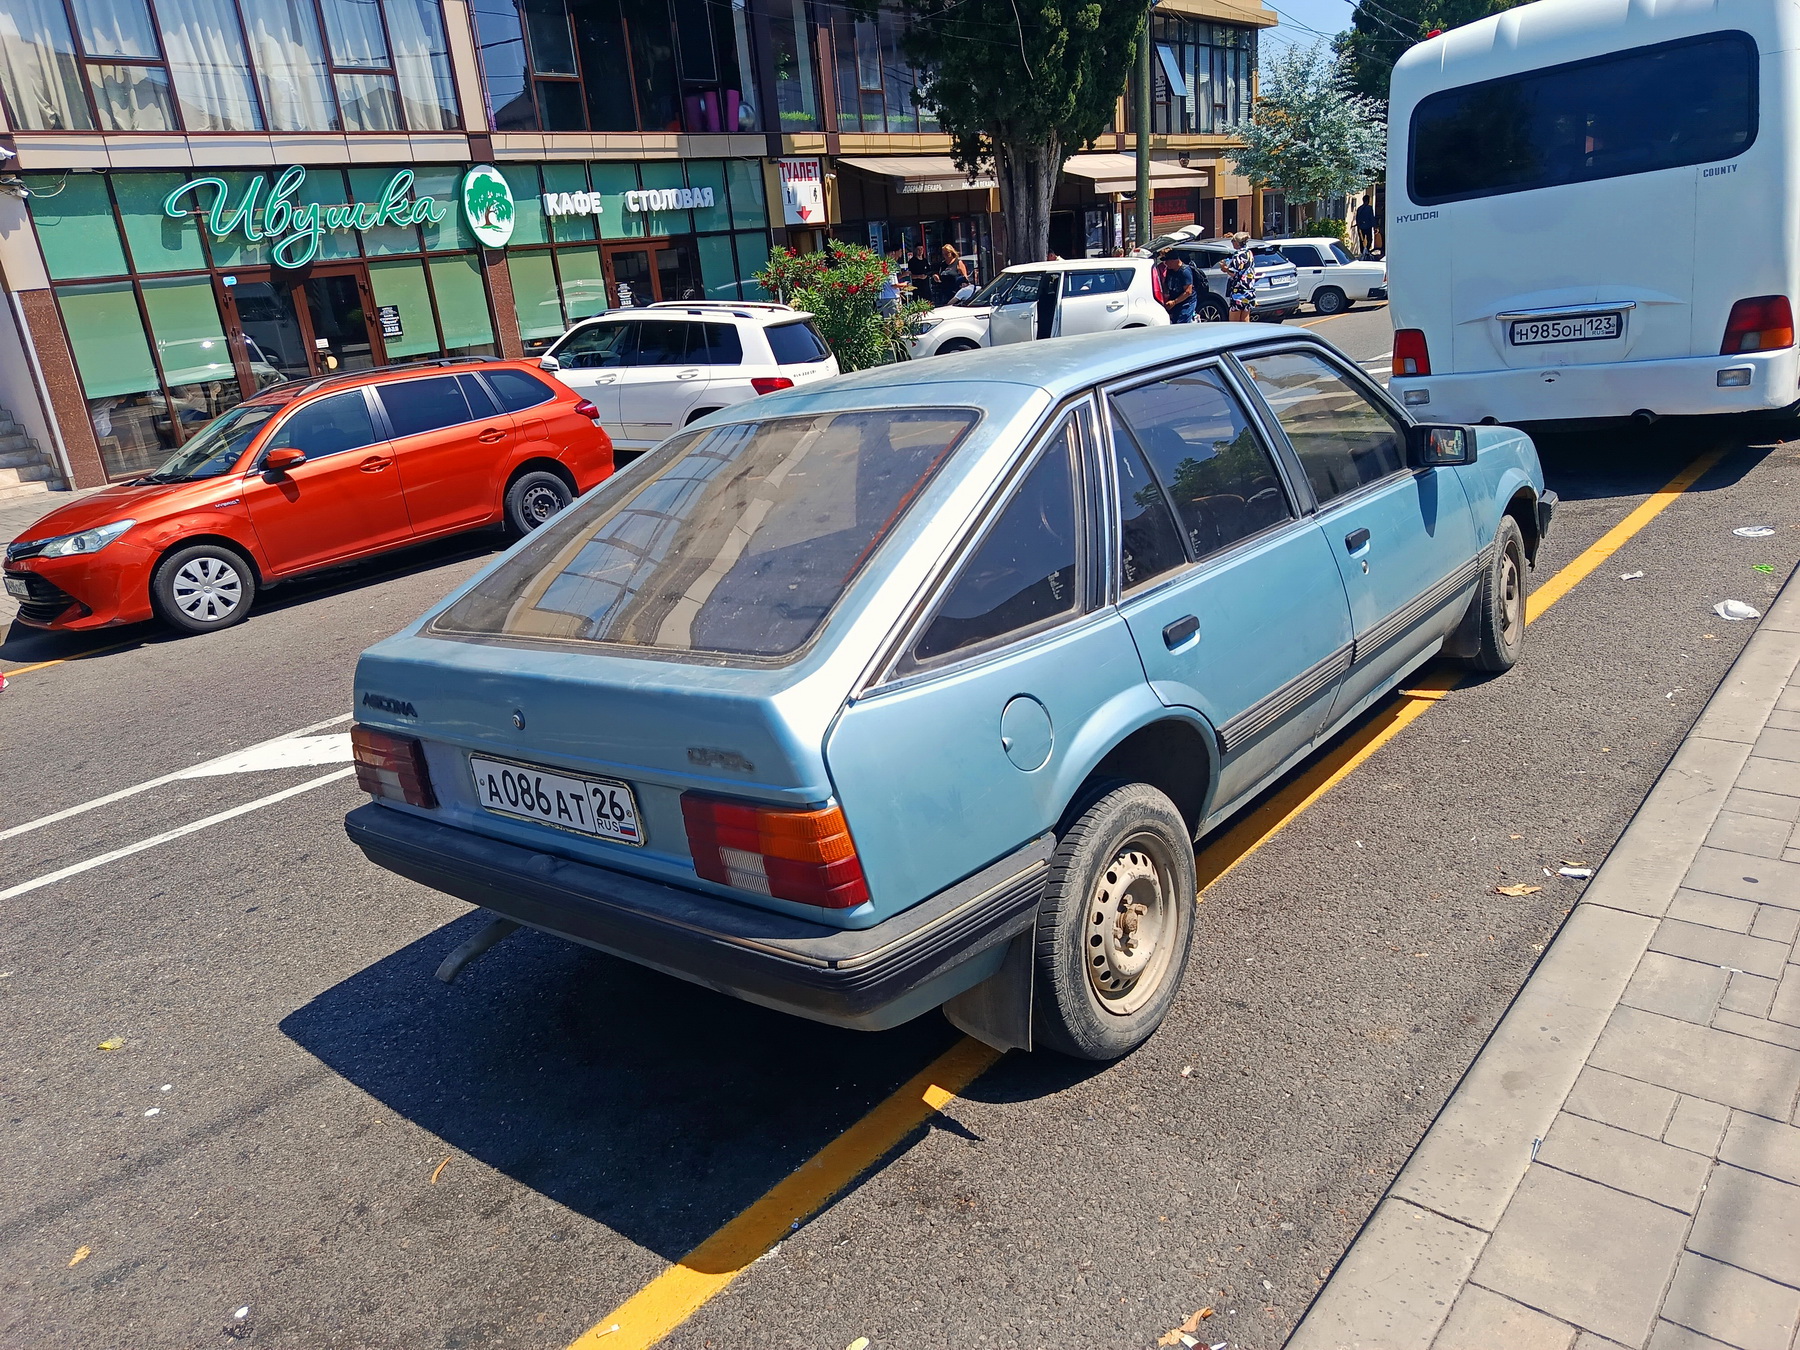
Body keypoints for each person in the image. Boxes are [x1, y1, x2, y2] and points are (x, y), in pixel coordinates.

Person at [1220, 231, 1257, 323]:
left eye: (1232, 241)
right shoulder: (1249, 253)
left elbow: (1234, 273)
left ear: (1237, 242)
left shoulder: (1238, 255)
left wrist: (1224, 268)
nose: (1232, 243)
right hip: (1249, 290)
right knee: (1245, 318)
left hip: (1238, 291)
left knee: (1234, 322)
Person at [1158, 252, 1197, 324]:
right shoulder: (1170, 270)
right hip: (1174, 303)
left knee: (1181, 324)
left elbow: (1188, 292)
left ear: (1174, 260)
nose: (1165, 263)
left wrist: (1174, 302)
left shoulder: (1185, 271)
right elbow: (1166, 285)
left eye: (1167, 261)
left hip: (1186, 303)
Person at [879, 251, 903, 316]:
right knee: (897, 320)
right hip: (892, 297)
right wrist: (904, 285)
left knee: (887, 320)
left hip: (884, 297)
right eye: (892, 254)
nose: (894, 256)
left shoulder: (881, 267)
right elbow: (894, 284)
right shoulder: (890, 268)